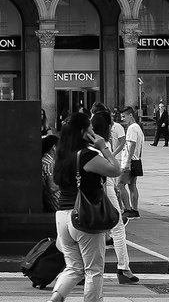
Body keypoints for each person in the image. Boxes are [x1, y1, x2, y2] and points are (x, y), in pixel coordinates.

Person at [50, 110, 123, 302]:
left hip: (62, 216)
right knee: (94, 270)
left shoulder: (62, 154)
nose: (95, 132)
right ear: (84, 132)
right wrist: (103, 147)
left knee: (73, 267)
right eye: (91, 129)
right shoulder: (87, 156)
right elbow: (116, 170)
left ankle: (55, 299)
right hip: (85, 215)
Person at [91, 106, 138, 285]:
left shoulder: (92, 142)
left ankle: (79, 268)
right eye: (111, 124)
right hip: (104, 187)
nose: (113, 128)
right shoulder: (100, 144)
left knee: (98, 229)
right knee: (117, 227)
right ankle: (123, 268)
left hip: (102, 186)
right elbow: (113, 168)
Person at [117, 106, 144, 219]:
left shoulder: (132, 128)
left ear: (130, 115)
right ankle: (135, 209)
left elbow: (131, 144)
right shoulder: (138, 127)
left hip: (129, 160)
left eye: (124, 116)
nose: (123, 119)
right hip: (136, 159)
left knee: (120, 184)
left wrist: (127, 162)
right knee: (132, 185)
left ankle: (127, 209)